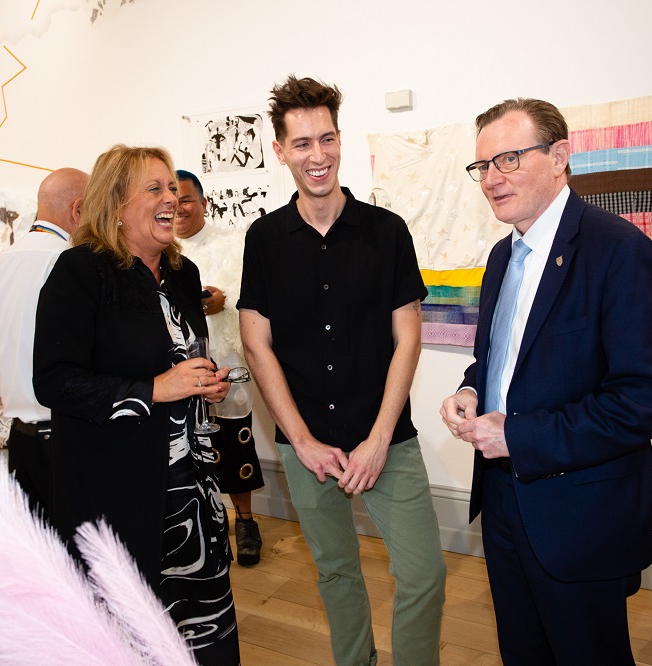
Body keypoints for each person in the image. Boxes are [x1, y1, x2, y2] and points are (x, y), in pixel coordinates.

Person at [440, 98, 652, 664]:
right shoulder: (502, 257)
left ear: (560, 157)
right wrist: (471, 390)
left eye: (509, 159)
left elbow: (646, 398)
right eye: (482, 166)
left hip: (580, 517)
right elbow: (500, 361)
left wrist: (519, 436)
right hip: (500, 502)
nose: (492, 179)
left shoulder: (618, 250)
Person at [238, 75, 446, 666]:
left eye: (326, 139)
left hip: (387, 439)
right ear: (281, 151)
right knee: (335, 574)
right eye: (302, 143)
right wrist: (301, 441)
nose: (318, 155)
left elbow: (408, 336)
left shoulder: (386, 231)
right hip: (308, 447)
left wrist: (379, 439)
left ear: (339, 140)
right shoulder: (265, 239)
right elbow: (257, 344)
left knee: (425, 574)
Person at [33, 145, 240, 665]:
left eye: (173, 188)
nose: (172, 198)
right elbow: (53, 382)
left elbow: (180, 361)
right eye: (156, 189)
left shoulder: (182, 275)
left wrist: (203, 384)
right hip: (119, 492)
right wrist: (154, 389)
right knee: (128, 634)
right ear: (116, 203)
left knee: (201, 627)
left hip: (190, 490)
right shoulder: (81, 272)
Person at [0, 167, 88, 519]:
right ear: (79, 210)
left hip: (21, 438)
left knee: (38, 555)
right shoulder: (69, 263)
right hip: (69, 436)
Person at [174, 169, 266, 566]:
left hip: (225, 364)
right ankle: (199, 522)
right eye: (170, 200)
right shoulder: (155, 248)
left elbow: (252, 293)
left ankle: (245, 521)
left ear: (203, 203)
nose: (177, 208)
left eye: (186, 200)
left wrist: (223, 299)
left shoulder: (233, 244)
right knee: (185, 445)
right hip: (175, 370)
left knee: (233, 443)